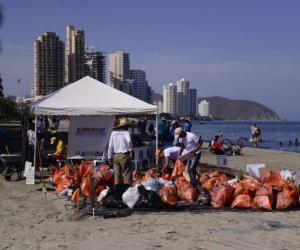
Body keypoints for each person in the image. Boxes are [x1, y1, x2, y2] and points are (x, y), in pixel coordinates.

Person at [108, 117, 135, 185]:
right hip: (124, 156)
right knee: (126, 174)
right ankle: (127, 190)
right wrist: (130, 150)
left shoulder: (113, 133)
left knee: (117, 175)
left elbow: (110, 146)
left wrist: (110, 157)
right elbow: (129, 141)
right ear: (126, 126)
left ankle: (117, 190)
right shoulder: (126, 132)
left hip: (116, 156)